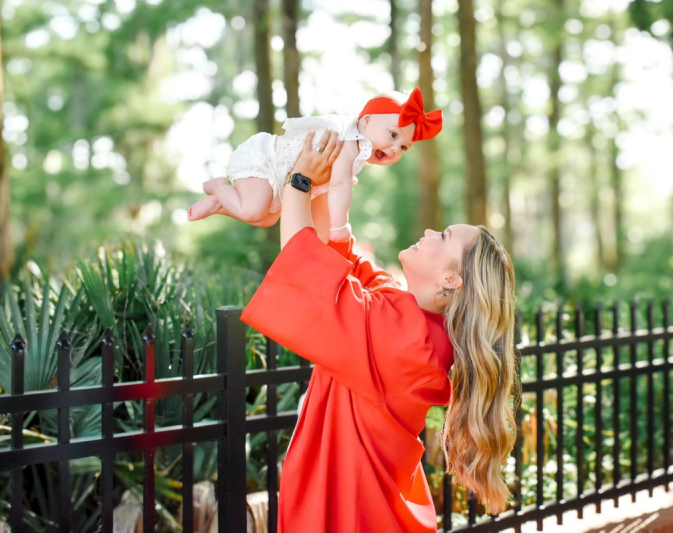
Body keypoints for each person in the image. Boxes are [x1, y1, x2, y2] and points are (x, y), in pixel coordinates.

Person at [241, 130, 520, 531]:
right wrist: (331, 176)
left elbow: (303, 265)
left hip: (354, 514)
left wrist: (299, 183)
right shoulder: (408, 317)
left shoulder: (410, 341)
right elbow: (330, 256)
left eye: (442, 237)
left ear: (451, 280)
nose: (428, 232)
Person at [187, 87, 442, 243]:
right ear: (365, 121)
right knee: (254, 211)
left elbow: (336, 182)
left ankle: (220, 203)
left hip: (278, 178)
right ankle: (220, 186)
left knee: (267, 219)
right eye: (393, 135)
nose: (396, 149)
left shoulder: (355, 152)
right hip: (264, 160)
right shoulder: (350, 140)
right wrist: (339, 227)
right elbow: (340, 184)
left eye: (404, 147)